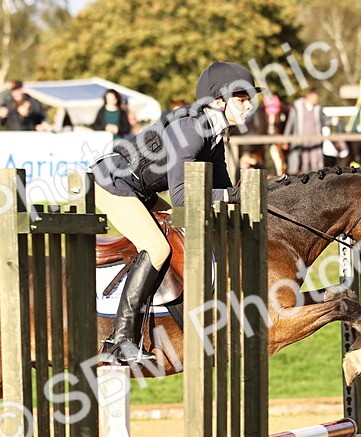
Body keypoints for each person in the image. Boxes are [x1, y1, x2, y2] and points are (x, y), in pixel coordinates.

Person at [89, 61, 262, 365]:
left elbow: (222, 189)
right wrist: (233, 196)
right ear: (218, 101)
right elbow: (182, 198)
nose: (249, 106)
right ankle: (120, 340)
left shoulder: (215, 134)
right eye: (242, 99)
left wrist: (247, 197)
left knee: (180, 232)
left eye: (250, 99)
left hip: (142, 191)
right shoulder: (191, 129)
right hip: (112, 183)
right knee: (157, 247)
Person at [284, 88, 323, 174]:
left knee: (315, 163)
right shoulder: (297, 108)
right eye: (315, 97)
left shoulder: (318, 108)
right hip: (301, 141)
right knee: (304, 163)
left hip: (315, 141)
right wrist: (286, 139)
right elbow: (290, 124)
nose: (316, 100)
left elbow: (323, 120)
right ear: (309, 96)